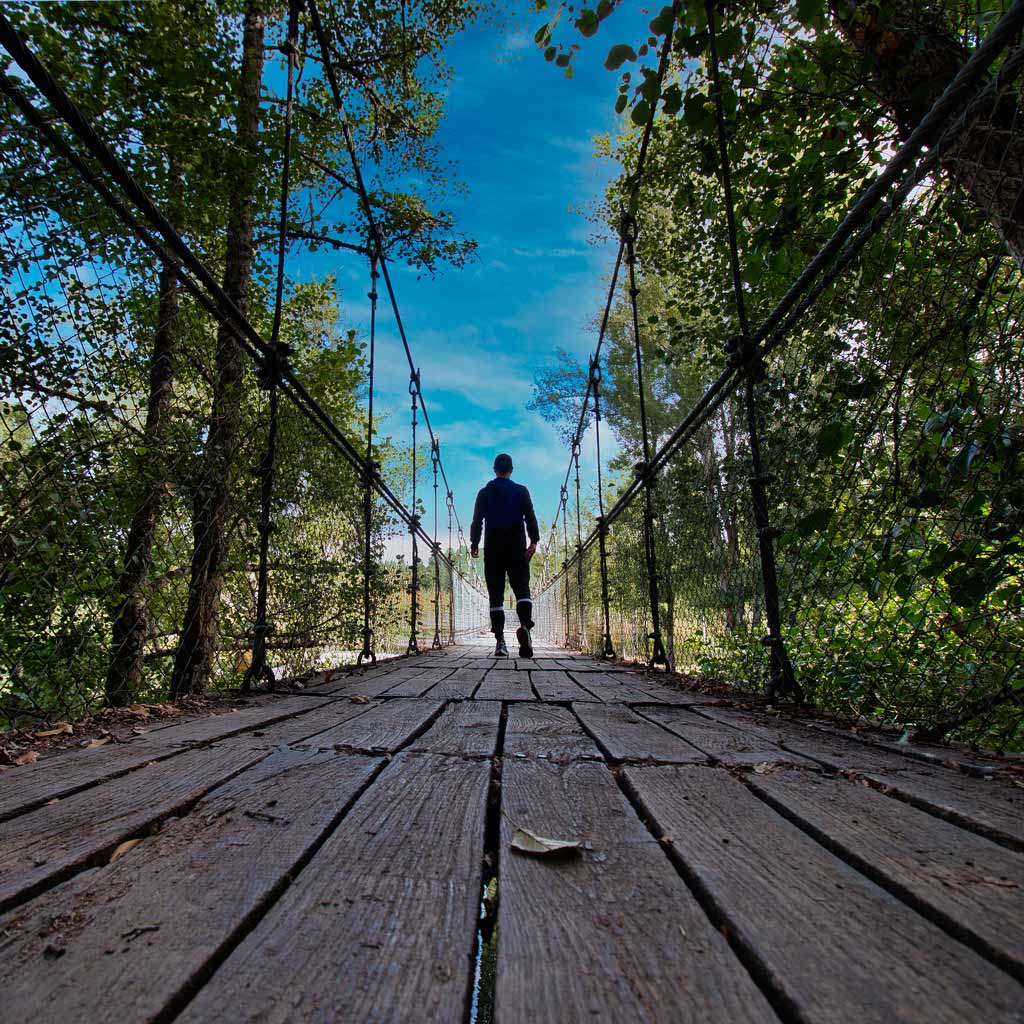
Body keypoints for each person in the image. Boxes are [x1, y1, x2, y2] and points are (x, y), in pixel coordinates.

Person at [470, 453, 539, 658]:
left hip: (493, 549)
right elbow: (530, 517)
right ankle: (525, 626)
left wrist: (475, 543)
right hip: (517, 547)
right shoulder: (521, 491)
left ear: (494, 470)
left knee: (496, 595)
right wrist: (533, 541)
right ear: (511, 470)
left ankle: (500, 641)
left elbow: (477, 521)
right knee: (522, 589)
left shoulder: (484, 493)